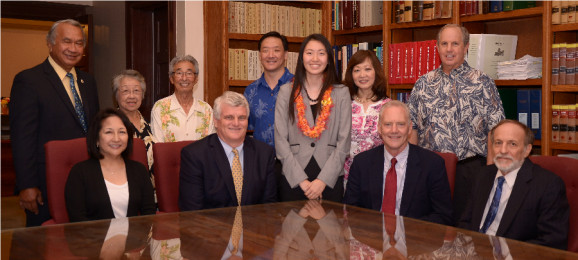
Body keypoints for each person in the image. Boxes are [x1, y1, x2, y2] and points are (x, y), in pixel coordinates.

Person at [407, 24, 505, 222]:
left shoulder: (483, 82)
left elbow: (496, 132)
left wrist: (488, 175)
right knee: (430, 228)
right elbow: (412, 128)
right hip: (430, 170)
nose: (449, 49)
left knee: (466, 232)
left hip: (470, 171)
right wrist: (411, 170)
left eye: (455, 43)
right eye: (444, 43)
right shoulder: (423, 83)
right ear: (437, 47)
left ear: (466, 47)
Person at [9, 19, 100, 226]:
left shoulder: (89, 82)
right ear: (50, 44)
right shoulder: (29, 81)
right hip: (46, 182)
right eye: (66, 41)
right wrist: (27, 185)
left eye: (79, 43)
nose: (73, 49)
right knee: (45, 246)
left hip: (86, 178)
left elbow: (93, 131)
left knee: (84, 241)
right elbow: (23, 138)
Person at [458, 119, 569, 250]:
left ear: (527, 150)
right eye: (498, 143)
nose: (503, 150)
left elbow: (552, 242)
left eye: (512, 144)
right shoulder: (482, 175)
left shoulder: (548, 185)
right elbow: (465, 223)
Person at [344, 100, 453, 226]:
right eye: (388, 124)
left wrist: (404, 230)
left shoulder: (432, 164)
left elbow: (443, 216)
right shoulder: (361, 163)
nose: (394, 130)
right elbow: (351, 210)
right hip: (372, 239)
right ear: (379, 128)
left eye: (400, 124)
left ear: (409, 128)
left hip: (415, 240)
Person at [275, 34, 352, 202]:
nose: (315, 59)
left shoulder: (341, 93)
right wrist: (301, 181)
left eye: (321, 53)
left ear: (329, 59)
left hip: (329, 178)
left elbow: (344, 141)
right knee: (292, 227)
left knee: (330, 228)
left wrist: (323, 180)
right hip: (294, 177)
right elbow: (280, 141)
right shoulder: (286, 92)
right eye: (309, 53)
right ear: (302, 58)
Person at [179, 91, 277, 211]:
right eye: (229, 117)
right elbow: (192, 212)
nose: (236, 123)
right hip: (210, 228)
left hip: (254, 227)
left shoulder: (265, 154)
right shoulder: (195, 155)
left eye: (241, 118)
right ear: (216, 121)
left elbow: (269, 208)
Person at [65, 109, 156, 222]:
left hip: (134, 238)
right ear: (96, 139)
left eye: (122, 132)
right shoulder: (79, 173)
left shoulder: (139, 170)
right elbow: (78, 220)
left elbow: (149, 215)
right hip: (93, 239)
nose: (116, 139)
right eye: (109, 132)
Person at [342, 50, 391, 186]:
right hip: (345, 176)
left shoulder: (388, 106)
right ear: (351, 74)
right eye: (357, 70)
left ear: (376, 72)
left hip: (379, 175)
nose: (362, 75)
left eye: (368, 69)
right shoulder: (343, 103)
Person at [244, 31, 294, 149]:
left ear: (286, 55)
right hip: (259, 161)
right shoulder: (250, 91)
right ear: (260, 55)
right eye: (265, 50)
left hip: (294, 162)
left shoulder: (299, 86)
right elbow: (245, 129)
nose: (270, 55)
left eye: (276, 50)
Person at [151, 55, 215, 142]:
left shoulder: (206, 109)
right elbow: (158, 148)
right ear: (171, 79)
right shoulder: (160, 108)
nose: (184, 78)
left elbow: (211, 145)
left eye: (189, 73)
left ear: (196, 79)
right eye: (179, 73)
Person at [113, 69, 156, 172]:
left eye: (136, 91)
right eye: (125, 91)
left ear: (142, 94)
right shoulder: (110, 125)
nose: (131, 96)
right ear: (116, 95)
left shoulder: (152, 124)